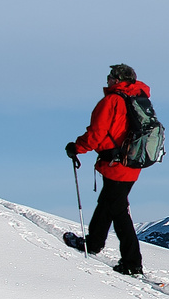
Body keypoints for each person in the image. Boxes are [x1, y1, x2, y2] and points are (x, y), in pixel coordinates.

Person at [65, 64, 152, 276]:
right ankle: (93, 243)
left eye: (110, 77)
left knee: (118, 210)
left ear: (116, 79)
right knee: (109, 202)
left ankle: (132, 263)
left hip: (116, 163)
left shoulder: (112, 101)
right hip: (133, 163)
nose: (107, 80)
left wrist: (76, 147)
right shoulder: (139, 98)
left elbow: (96, 133)